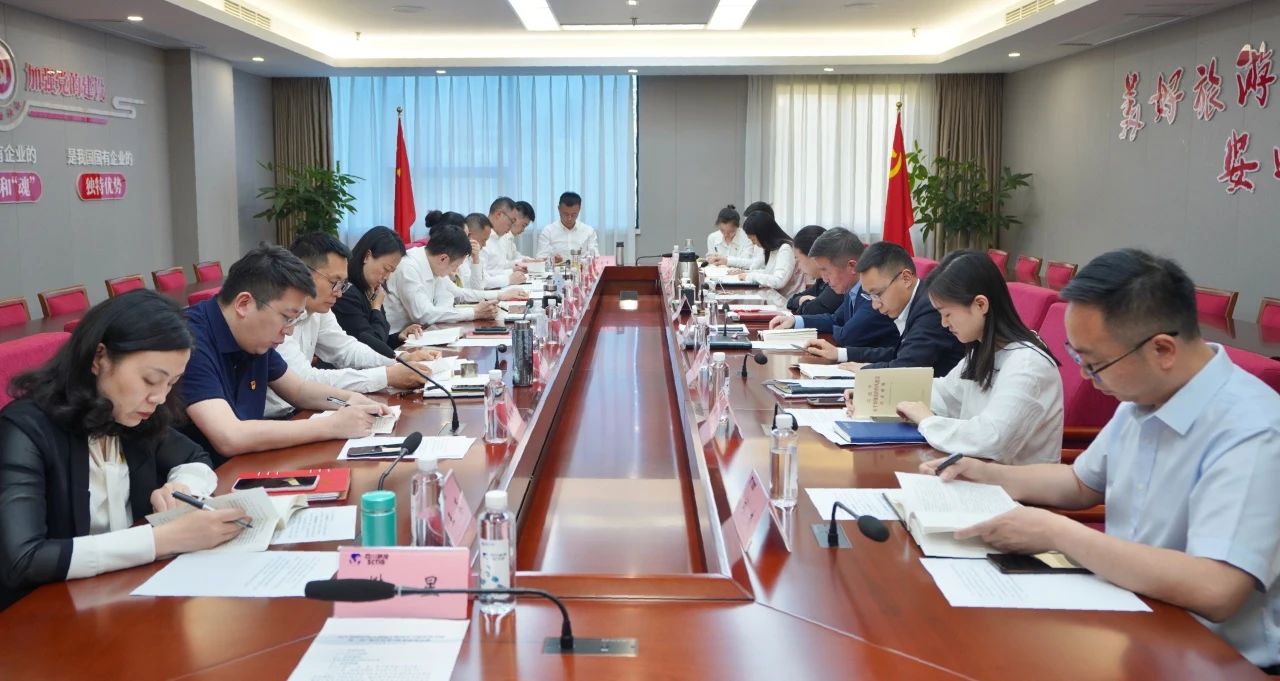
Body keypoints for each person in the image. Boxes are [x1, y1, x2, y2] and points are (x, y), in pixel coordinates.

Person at [920, 249, 1280, 672]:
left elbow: (1215, 589)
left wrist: (1056, 533)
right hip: (1128, 615)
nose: (1086, 377)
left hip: (1212, 656)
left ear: (1162, 349)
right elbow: (1079, 483)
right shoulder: (1144, 396)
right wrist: (984, 472)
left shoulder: (1253, 430)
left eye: (1095, 364)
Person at [0, 291, 249, 610]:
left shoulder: (129, 413)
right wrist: (162, 540)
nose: (160, 397)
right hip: (45, 612)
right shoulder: (25, 430)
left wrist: (183, 487)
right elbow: (23, 559)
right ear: (99, 357)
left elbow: (194, 458)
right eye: (150, 380)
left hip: (119, 592)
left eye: (171, 383)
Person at [181, 244, 389, 466]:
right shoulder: (190, 340)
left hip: (247, 462)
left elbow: (298, 390)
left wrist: (350, 400)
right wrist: (331, 426)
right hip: (208, 475)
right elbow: (229, 436)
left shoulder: (253, 335)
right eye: (287, 318)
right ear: (243, 304)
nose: (289, 331)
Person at [855, 250, 1063, 465]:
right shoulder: (982, 349)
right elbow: (945, 394)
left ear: (980, 305)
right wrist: (872, 397)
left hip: (1010, 483)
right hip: (975, 471)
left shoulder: (1027, 365)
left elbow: (992, 439)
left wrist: (927, 420)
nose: (944, 324)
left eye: (947, 314)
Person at [264, 233, 441, 418]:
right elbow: (305, 381)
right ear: (303, 274)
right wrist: (386, 376)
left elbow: (346, 349)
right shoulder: (275, 316)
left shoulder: (319, 310)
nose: (339, 293)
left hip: (304, 409)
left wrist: (398, 360)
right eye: (335, 282)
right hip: (276, 418)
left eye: (343, 284)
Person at [828, 241, 964, 377]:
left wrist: (866, 369)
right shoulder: (916, 301)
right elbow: (900, 353)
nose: (875, 305)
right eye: (870, 296)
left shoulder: (930, 308)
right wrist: (840, 353)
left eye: (877, 294)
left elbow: (906, 367)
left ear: (906, 279)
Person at [768, 228, 898, 354]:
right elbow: (836, 319)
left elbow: (846, 336)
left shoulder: (873, 294)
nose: (824, 279)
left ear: (852, 266)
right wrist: (795, 321)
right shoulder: (852, 289)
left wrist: (841, 327)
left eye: (826, 270)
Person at [331, 226, 438, 359]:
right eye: (386, 269)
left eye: (391, 272)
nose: (386, 277)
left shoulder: (370, 289)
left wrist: (399, 337)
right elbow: (372, 347)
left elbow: (380, 340)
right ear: (367, 256)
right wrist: (376, 308)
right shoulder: (345, 292)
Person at [385, 225, 505, 330]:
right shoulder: (408, 267)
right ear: (443, 258)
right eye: (455, 266)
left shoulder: (434, 264)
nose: (454, 271)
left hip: (423, 332)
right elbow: (423, 315)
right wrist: (474, 312)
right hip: (398, 338)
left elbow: (446, 299)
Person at [726, 210, 803, 297]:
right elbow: (769, 272)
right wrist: (746, 273)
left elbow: (778, 281)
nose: (753, 243)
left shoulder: (785, 249)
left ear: (763, 235)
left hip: (786, 300)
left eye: (753, 239)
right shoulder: (774, 249)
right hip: (776, 296)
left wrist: (749, 276)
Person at [786, 225, 843, 316]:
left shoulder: (837, 280)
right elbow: (791, 301)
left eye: (798, 259)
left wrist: (809, 303)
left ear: (812, 256)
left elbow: (812, 310)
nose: (798, 266)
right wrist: (803, 299)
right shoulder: (821, 281)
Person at [537, 191, 598, 263]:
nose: (569, 218)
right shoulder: (548, 231)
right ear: (559, 209)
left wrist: (587, 259)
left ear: (579, 210)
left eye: (573, 214)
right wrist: (552, 260)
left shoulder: (589, 231)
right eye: (565, 214)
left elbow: (595, 257)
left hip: (581, 269)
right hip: (556, 269)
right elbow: (540, 259)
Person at [480, 197, 530, 282]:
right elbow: (481, 279)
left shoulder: (500, 238)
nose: (511, 226)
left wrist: (513, 270)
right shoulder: (480, 237)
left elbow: (498, 269)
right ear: (498, 214)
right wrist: (509, 279)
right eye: (511, 221)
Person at [704, 205, 761, 269]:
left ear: (737, 227)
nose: (725, 235)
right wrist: (710, 259)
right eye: (722, 231)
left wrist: (727, 260)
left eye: (730, 232)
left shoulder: (747, 237)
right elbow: (710, 256)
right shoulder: (712, 237)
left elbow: (747, 261)